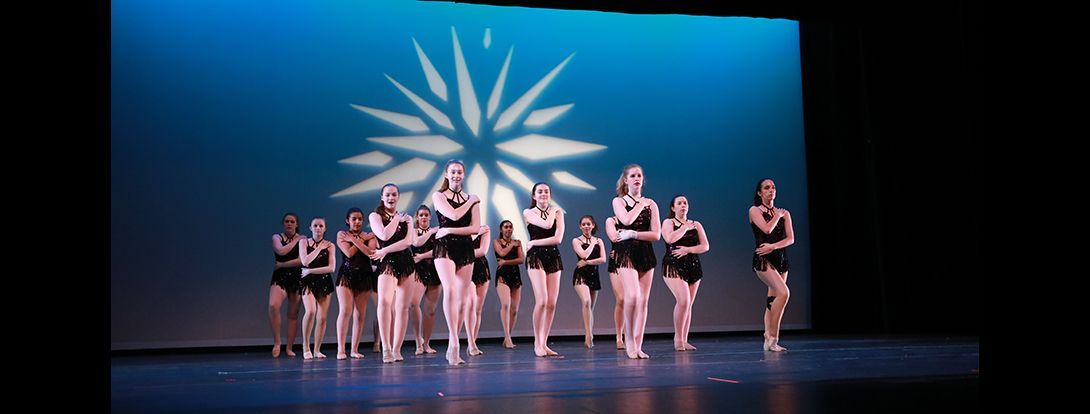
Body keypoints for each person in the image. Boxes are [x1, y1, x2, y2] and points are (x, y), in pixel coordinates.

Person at [431, 160, 481, 365]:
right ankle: (454, 341)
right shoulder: (438, 195)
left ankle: (455, 342)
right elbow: (453, 214)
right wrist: (472, 202)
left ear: (464, 174)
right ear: (446, 174)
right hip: (445, 247)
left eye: (460, 171)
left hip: (465, 248)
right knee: (450, 290)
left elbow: (475, 228)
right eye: (453, 172)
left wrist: (450, 229)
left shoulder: (472, 199)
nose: (456, 175)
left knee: (462, 298)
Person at [610, 164, 660, 359]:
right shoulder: (619, 201)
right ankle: (629, 340)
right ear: (626, 180)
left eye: (639, 175)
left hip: (645, 251)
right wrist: (640, 203)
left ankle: (638, 344)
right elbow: (627, 219)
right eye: (633, 175)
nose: (637, 178)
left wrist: (635, 234)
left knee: (643, 301)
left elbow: (656, 234)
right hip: (626, 252)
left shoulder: (652, 204)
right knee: (632, 297)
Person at [369, 184, 417, 363]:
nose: (391, 198)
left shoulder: (407, 218)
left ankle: (397, 349)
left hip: (405, 261)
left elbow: (408, 242)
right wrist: (397, 219)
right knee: (385, 302)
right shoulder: (375, 216)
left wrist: (384, 251)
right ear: (382, 197)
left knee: (403, 307)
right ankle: (386, 348)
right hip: (388, 263)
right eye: (387, 195)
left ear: (398, 196)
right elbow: (384, 235)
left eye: (394, 194)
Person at [660, 195, 710, 351]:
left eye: (685, 203)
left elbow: (705, 246)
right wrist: (683, 228)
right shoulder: (669, 222)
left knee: (689, 305)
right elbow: (669, 238)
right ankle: (677, 338)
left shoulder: (696, 224)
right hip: (673, 265)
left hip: (693, 264)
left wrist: (688, 249)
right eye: (679, 203)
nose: (683, 205)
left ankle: (684, 339)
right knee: (683, 301)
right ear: (673, 208)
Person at [750, 178, 794, 352]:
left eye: (773, 187)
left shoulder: (785, 213)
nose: (771, 190)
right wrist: (777, 215)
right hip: (763, 259)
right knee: (783, 293)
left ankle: (768, 336)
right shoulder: (754, 210)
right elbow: (767, 229)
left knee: (773, 300)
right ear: (760, 193)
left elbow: (790, 238)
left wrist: (774, 246)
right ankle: (773, 338)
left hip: (780, 258)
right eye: (767, 188)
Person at [524, 182, 565, 357]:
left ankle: (544, 342)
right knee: (541, 300)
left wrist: (534, 242)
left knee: (551, 303)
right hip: (536, 257)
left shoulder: (558, 212)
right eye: (540, 192)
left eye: (547, 191)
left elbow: (558, 238)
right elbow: (547, 225)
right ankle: (537, 342)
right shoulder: (528, 212)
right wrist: (554, 210)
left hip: (553, 256)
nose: (543, 194)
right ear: (534, 196)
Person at [334, 208, 379, 359]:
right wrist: (360, 239)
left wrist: (354, 239)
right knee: (345, 310)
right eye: (354, 219)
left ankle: (354, 349)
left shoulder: (370, 236)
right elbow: (348, 253)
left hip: (364, 276)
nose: (357, 222)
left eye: (360, 219)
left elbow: (370, 253)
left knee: (360, 314)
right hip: (346, 275)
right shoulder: (341, 234)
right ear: (348, 220)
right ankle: (341, 349)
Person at [299, 217, 337, 359]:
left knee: (322, 317)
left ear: (325, 228)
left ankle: (317, 349)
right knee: (310, 311)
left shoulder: (330, 245)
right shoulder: (304, 242)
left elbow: (331, 268)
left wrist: (311, 271)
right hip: (308, 281)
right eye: (315, 225)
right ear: (310, 228)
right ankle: (306, 346)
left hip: (323, 281)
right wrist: (319, 248)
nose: (318, 228)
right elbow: (305, 261)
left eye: (321, 226)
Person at [269, 213, 304, 358]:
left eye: (292, 222)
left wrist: (282, 264)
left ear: (297, 224)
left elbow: (302, 260)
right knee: (273, 305)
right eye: (287, 221)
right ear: (283, 223)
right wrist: (296, 240)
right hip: (280, 277)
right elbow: (281, 251)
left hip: (296, 277)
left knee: (293, 314)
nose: (289, 224)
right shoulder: (277, 237)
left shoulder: (302, 239)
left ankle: (289, 347)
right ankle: (277, 342)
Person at [571, 215, 606, 348]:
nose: (586, 226)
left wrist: (588, 262)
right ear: (580, 226)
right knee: (586, 301)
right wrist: (591, 244)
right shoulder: (576, 240)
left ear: (593, 225)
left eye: (588, 224)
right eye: (584, 224)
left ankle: (590, 332)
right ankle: (588, 334)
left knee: (590, 308)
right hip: (580, 275)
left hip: (594, 274)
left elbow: (603, 259)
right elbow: (583, 255)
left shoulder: (599, 241)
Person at [409, 205, 441, 355]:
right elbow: (417, 243)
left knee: (431, 310)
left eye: (426, 215)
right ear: (417, 217)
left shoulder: (437, 232)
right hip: (418, 271)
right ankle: (418, 341)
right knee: (414, 303)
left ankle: (427, 343)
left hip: (434, 270)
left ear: (430, 217)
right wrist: (431, 232)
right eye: (421, 215)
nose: (423, 217)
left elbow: (437, 250)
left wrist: (421, 256)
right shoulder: (414, 232)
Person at [492, 220, 524, 349]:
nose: (508, 229)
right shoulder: (496, 242)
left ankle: (507, 337)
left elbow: (521, 259)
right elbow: (502, 253)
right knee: (506, 304)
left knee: (514, 309)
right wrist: (512, 245)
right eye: (506, 227)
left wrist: (505, 262)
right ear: (501, 229)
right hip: (502, 276)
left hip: (515, 275)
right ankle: (508, 337)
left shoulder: (518, 243)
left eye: (511, 227)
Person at [466, 225, 491, 356]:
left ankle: (473, 342)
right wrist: (475, 234)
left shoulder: (484, 228)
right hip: (466, 267)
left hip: (481, 268)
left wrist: (465, 250)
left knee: (478, 309)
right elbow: (460, 248)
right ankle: (470, 343)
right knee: (471, 305)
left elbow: (482, 250)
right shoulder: (462, 229)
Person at [604, 216, 625, 350]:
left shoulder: (639, 218)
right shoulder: (611, 220)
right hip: (617, 261)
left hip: (635, 259)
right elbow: (614, 237)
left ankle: (632, 334)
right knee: (621, 299)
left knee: (634, 299)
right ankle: (619, 335)